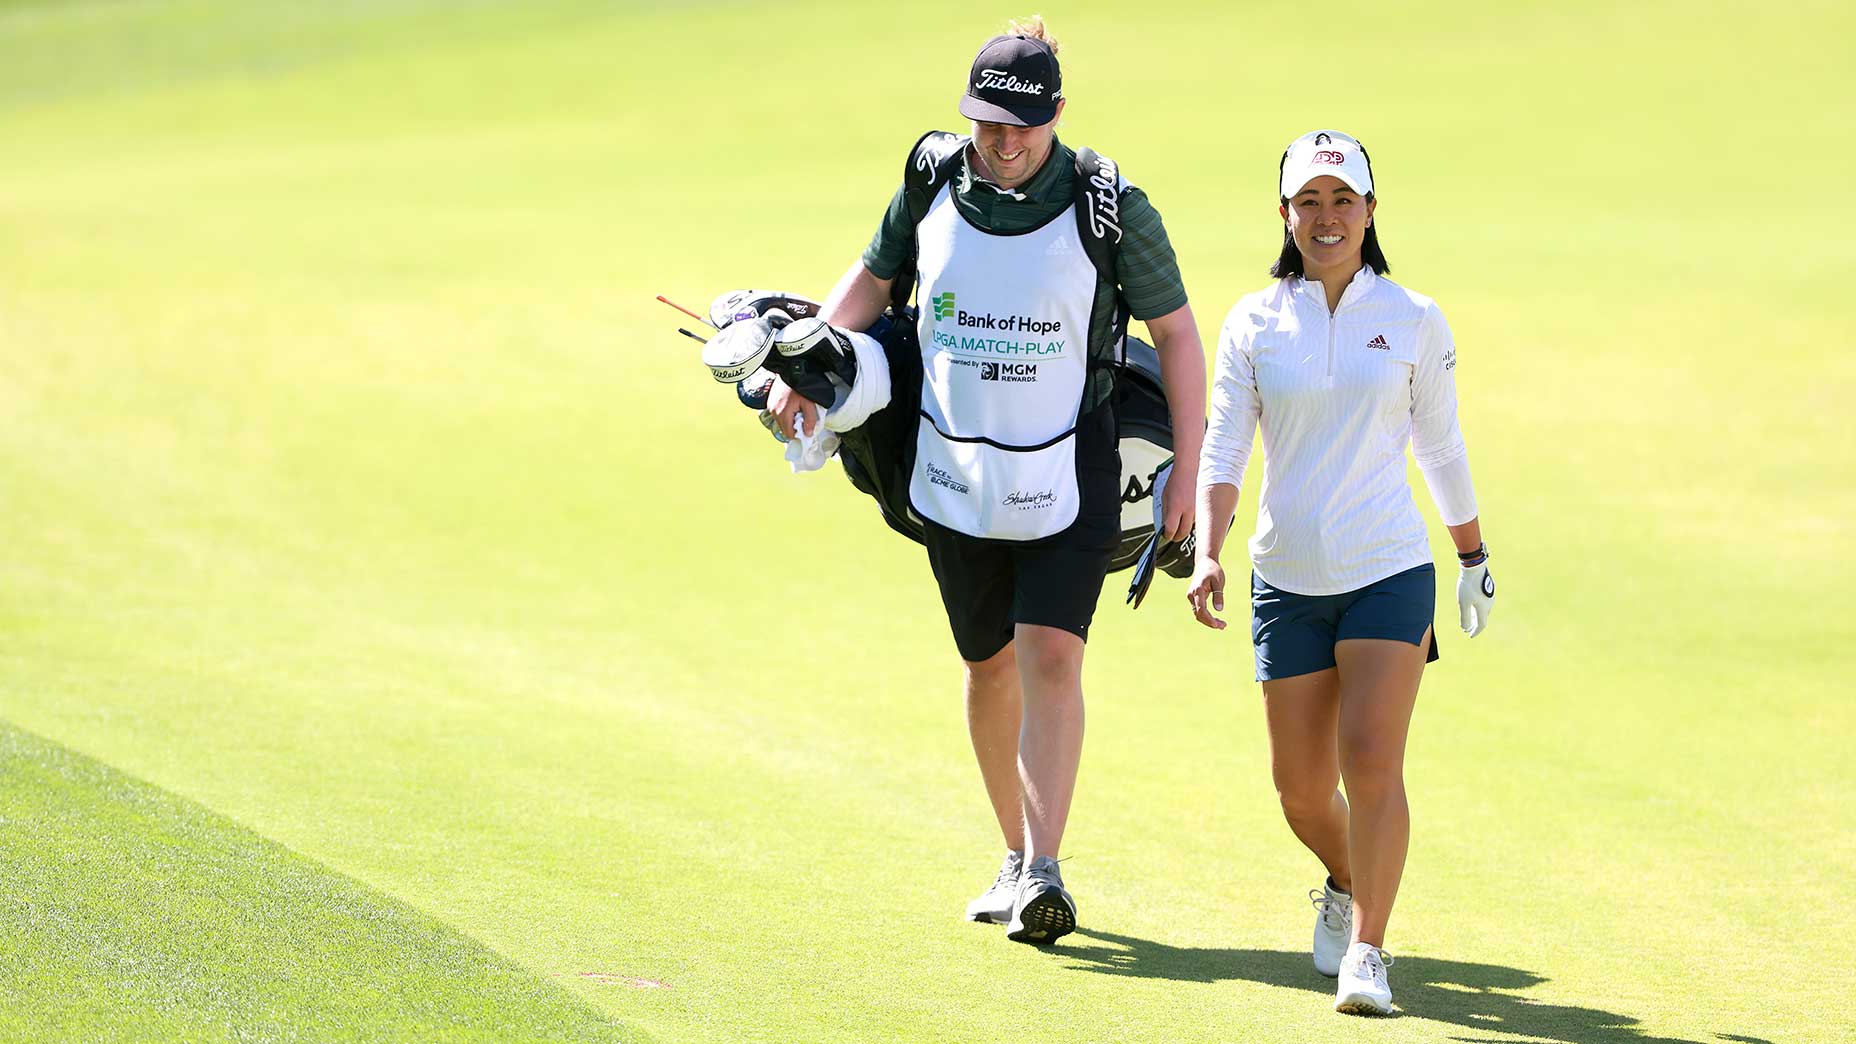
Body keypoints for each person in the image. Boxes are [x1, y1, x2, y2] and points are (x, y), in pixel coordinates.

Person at [765, 17, 1207, 945]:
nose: (1002, 143)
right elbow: (872, 281)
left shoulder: (1110, 205)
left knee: (1051, 653)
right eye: (987, 124)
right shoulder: (932, 176)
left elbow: (1176, 338)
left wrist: (1189, 476)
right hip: (954, 466)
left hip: (1071, 465)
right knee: (987, 663)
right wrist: (798, 372)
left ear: (1053, 117)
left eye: (1020, 126)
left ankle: (1046, 870)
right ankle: (1011, 853)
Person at [1186, 129, 1496, 1013]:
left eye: (1343, 201)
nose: (1326, 218)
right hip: (1286, 577)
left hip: (1388, 570)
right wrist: (1209, 545)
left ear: (1369, 212)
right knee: (1299, 789)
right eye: (1309, 202)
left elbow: (1439, 444)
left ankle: (1369, 952)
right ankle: (1342, 876)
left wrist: (1470, 554)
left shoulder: (1412, 317)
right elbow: (1224, 446)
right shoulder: (1254, 319)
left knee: (1371, 758)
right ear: (1284, 215)